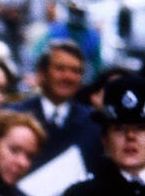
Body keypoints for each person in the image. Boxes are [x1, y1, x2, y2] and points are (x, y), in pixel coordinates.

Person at [12, 40, 103, 175]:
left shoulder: (93, 123)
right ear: (41, 74)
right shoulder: (15, 116)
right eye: (60, 69)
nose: (68, 77)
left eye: (75, 71)